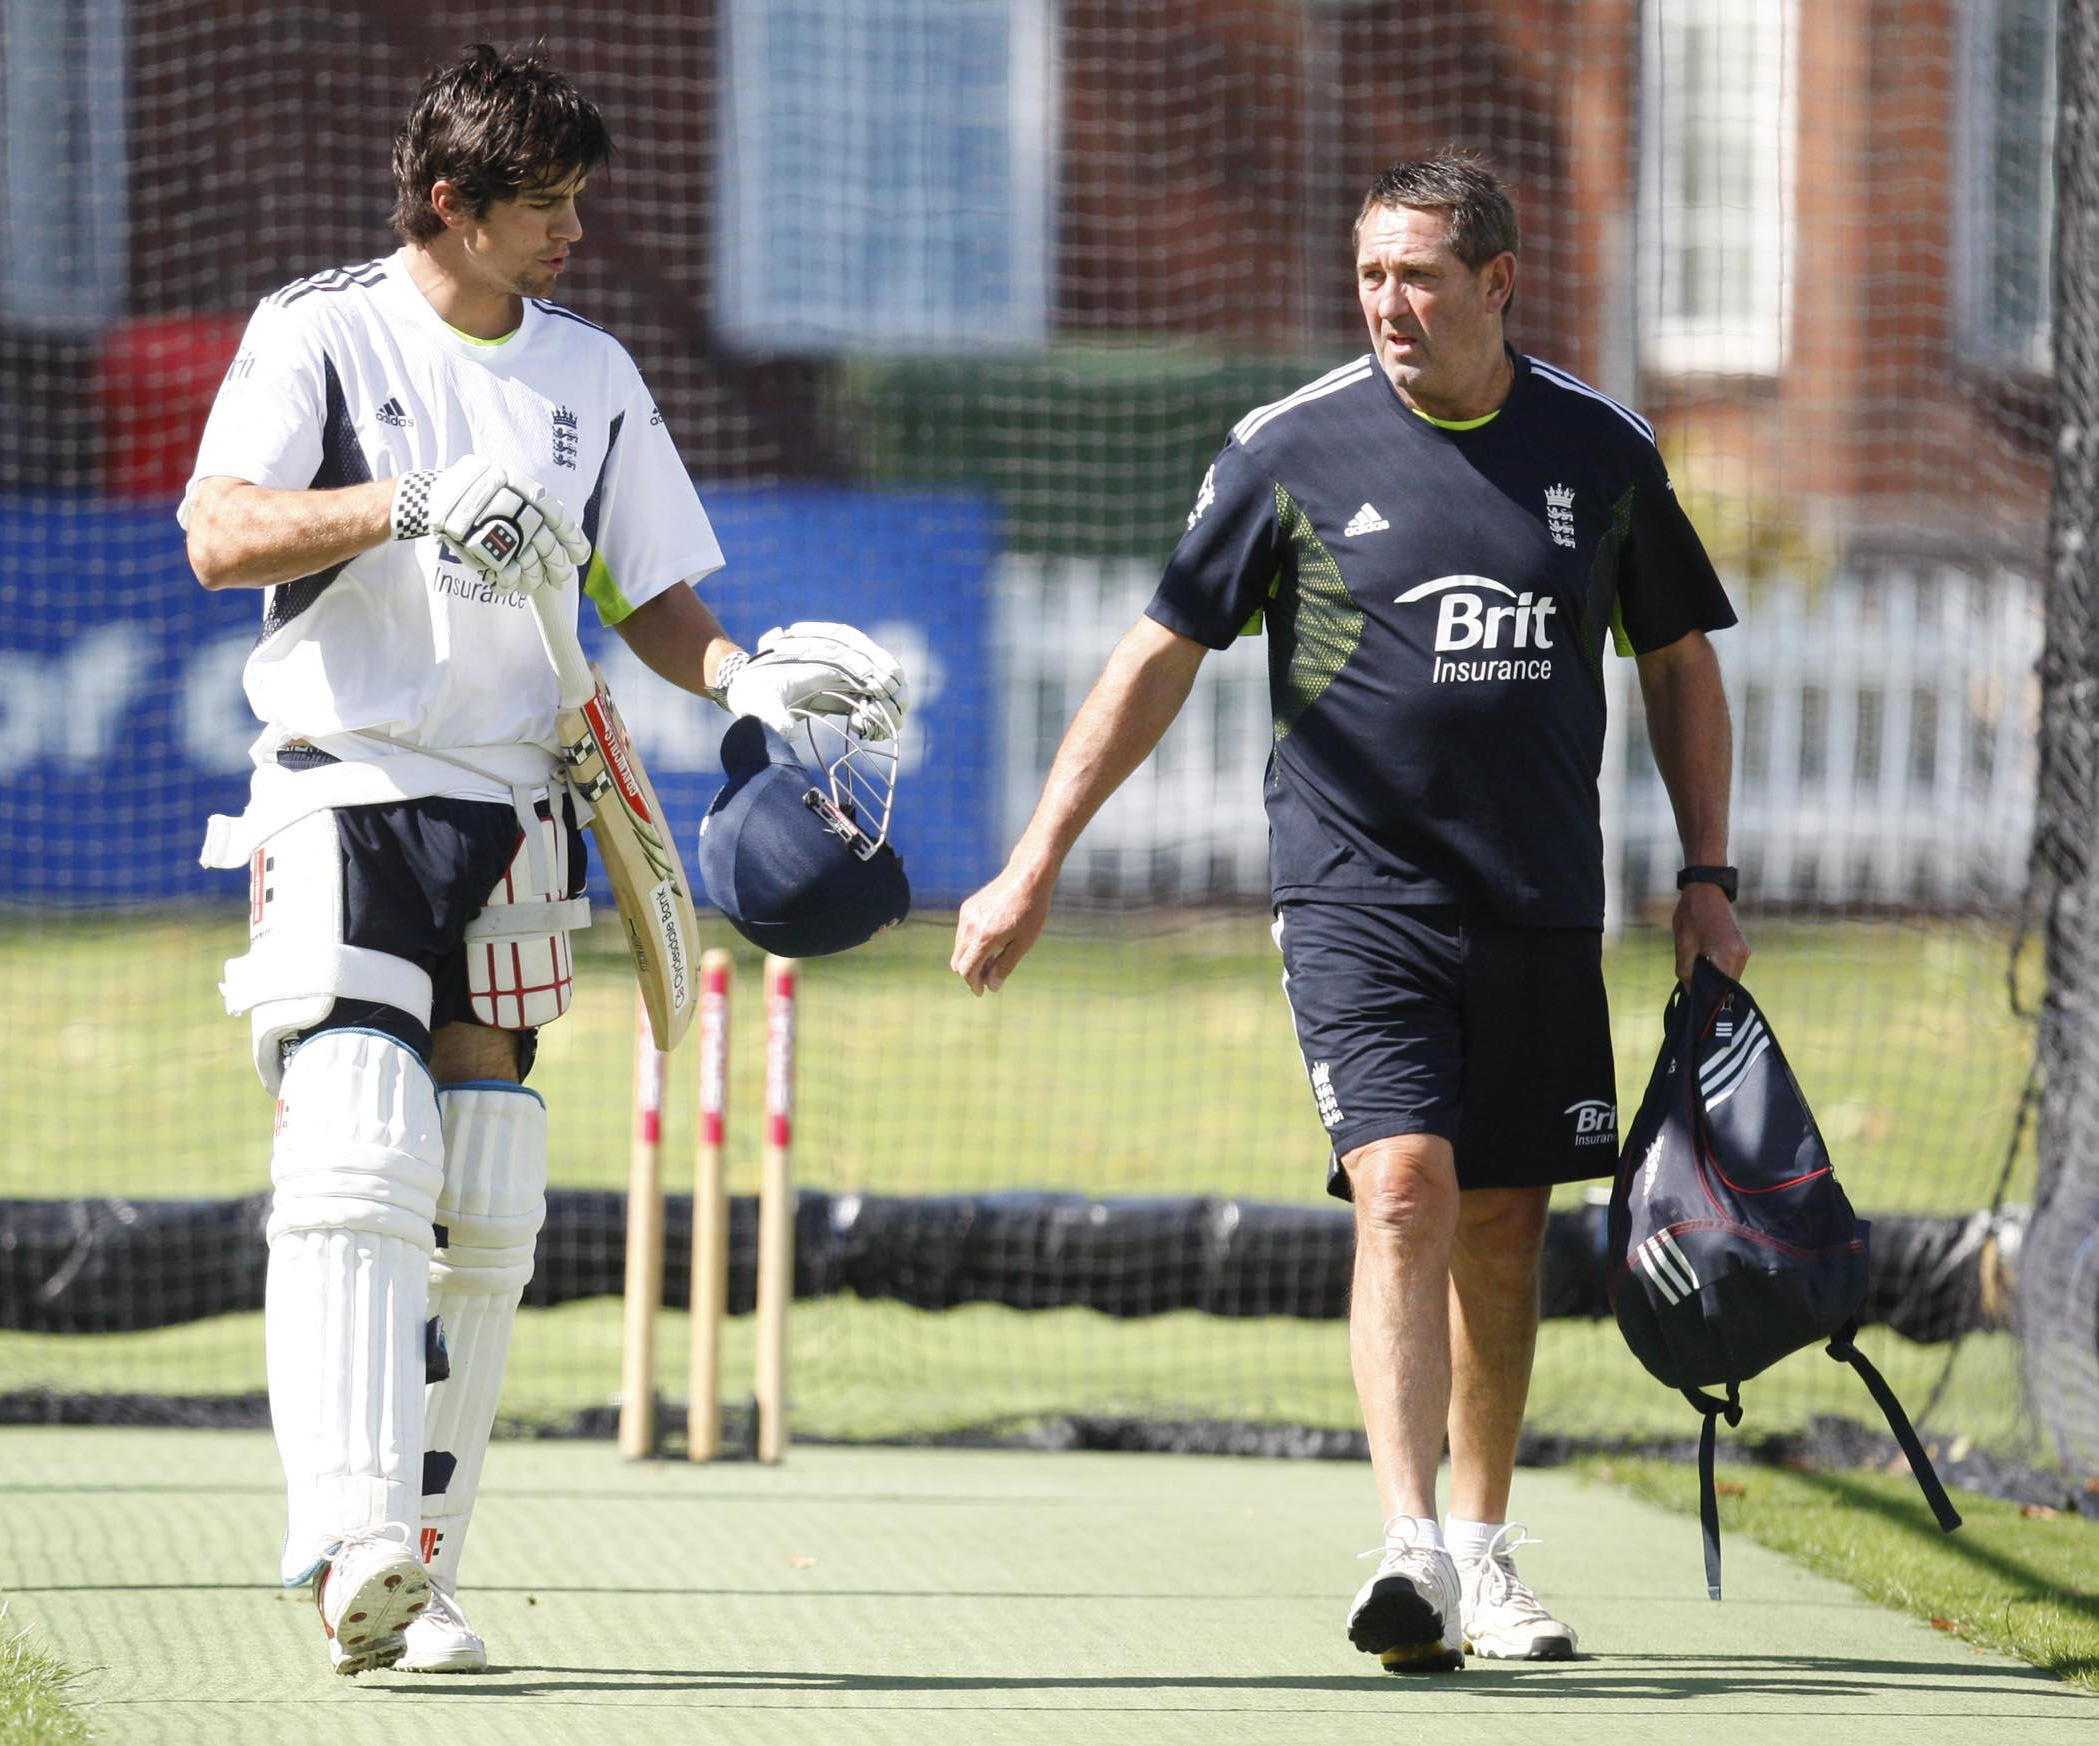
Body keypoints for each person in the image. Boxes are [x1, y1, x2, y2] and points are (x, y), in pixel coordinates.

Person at [952, 151, 1748, 1674]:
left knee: (1509, 1224)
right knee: (1402, 1187)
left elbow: (1682, 662)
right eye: (1371, 273)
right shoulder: (1288, 450)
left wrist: (1707, 877)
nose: (1389, 303)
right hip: (1352, 895)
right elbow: (1157, 658)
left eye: (1420, 277)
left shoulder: (1602, 450)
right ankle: (1405, 1548)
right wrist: (1033, 862)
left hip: (1536, 903)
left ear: (1496, 283)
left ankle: (1486, 1547)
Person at [180, 43, 902, 1677]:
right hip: (344, 785)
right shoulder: (324, 329)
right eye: (546, 206)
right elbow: (218, 530)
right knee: (358, 1149)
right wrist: (407, 505)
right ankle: (344, 1526)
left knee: (487, 1196)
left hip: (521, 803)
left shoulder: (589, 370)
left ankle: (419, 1571)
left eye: (577, 200)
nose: (573, 231)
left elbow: (647, 587)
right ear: (453, 203)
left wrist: (743, 676)